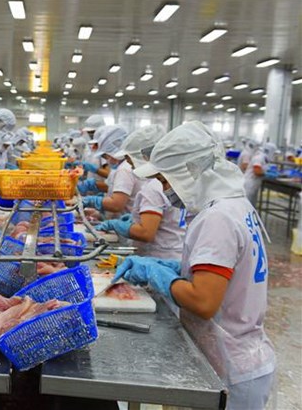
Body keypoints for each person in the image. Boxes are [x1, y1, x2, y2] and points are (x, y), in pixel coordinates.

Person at [115, 121, 275, 409]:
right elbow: (227, 275)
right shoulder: (235, 205)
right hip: (241, 354)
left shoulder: (218, 218)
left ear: (188, 172)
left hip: (231, 365)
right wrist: (176, 269)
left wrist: (157, 274)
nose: (165, 190)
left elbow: (204, 301)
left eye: (165, 181)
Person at [95, 125, 185, 259]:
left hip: (158, 256)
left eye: (130, 160)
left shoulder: (154, 188)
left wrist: (118, 225)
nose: (129, 165)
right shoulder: (172, 181)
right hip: (175, 252)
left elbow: (146, 233)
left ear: (143, 158)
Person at [82, 125, 142, 215]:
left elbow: (116, 205)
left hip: (124, 218)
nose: (107, 160)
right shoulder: (123, 167)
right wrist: (99, 214)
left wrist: (92, 201)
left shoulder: (124, 169)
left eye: (106, 156)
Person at [243, 142, 277, 207]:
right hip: (249, 185)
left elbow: (262, 169)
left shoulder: (264, 158)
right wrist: (267, 174)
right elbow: (257, 171)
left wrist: (269, 171)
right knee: (246, 206)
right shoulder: (259, 157)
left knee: (251, 206)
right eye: (274, 153)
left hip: (254, 186)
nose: (274, 155)